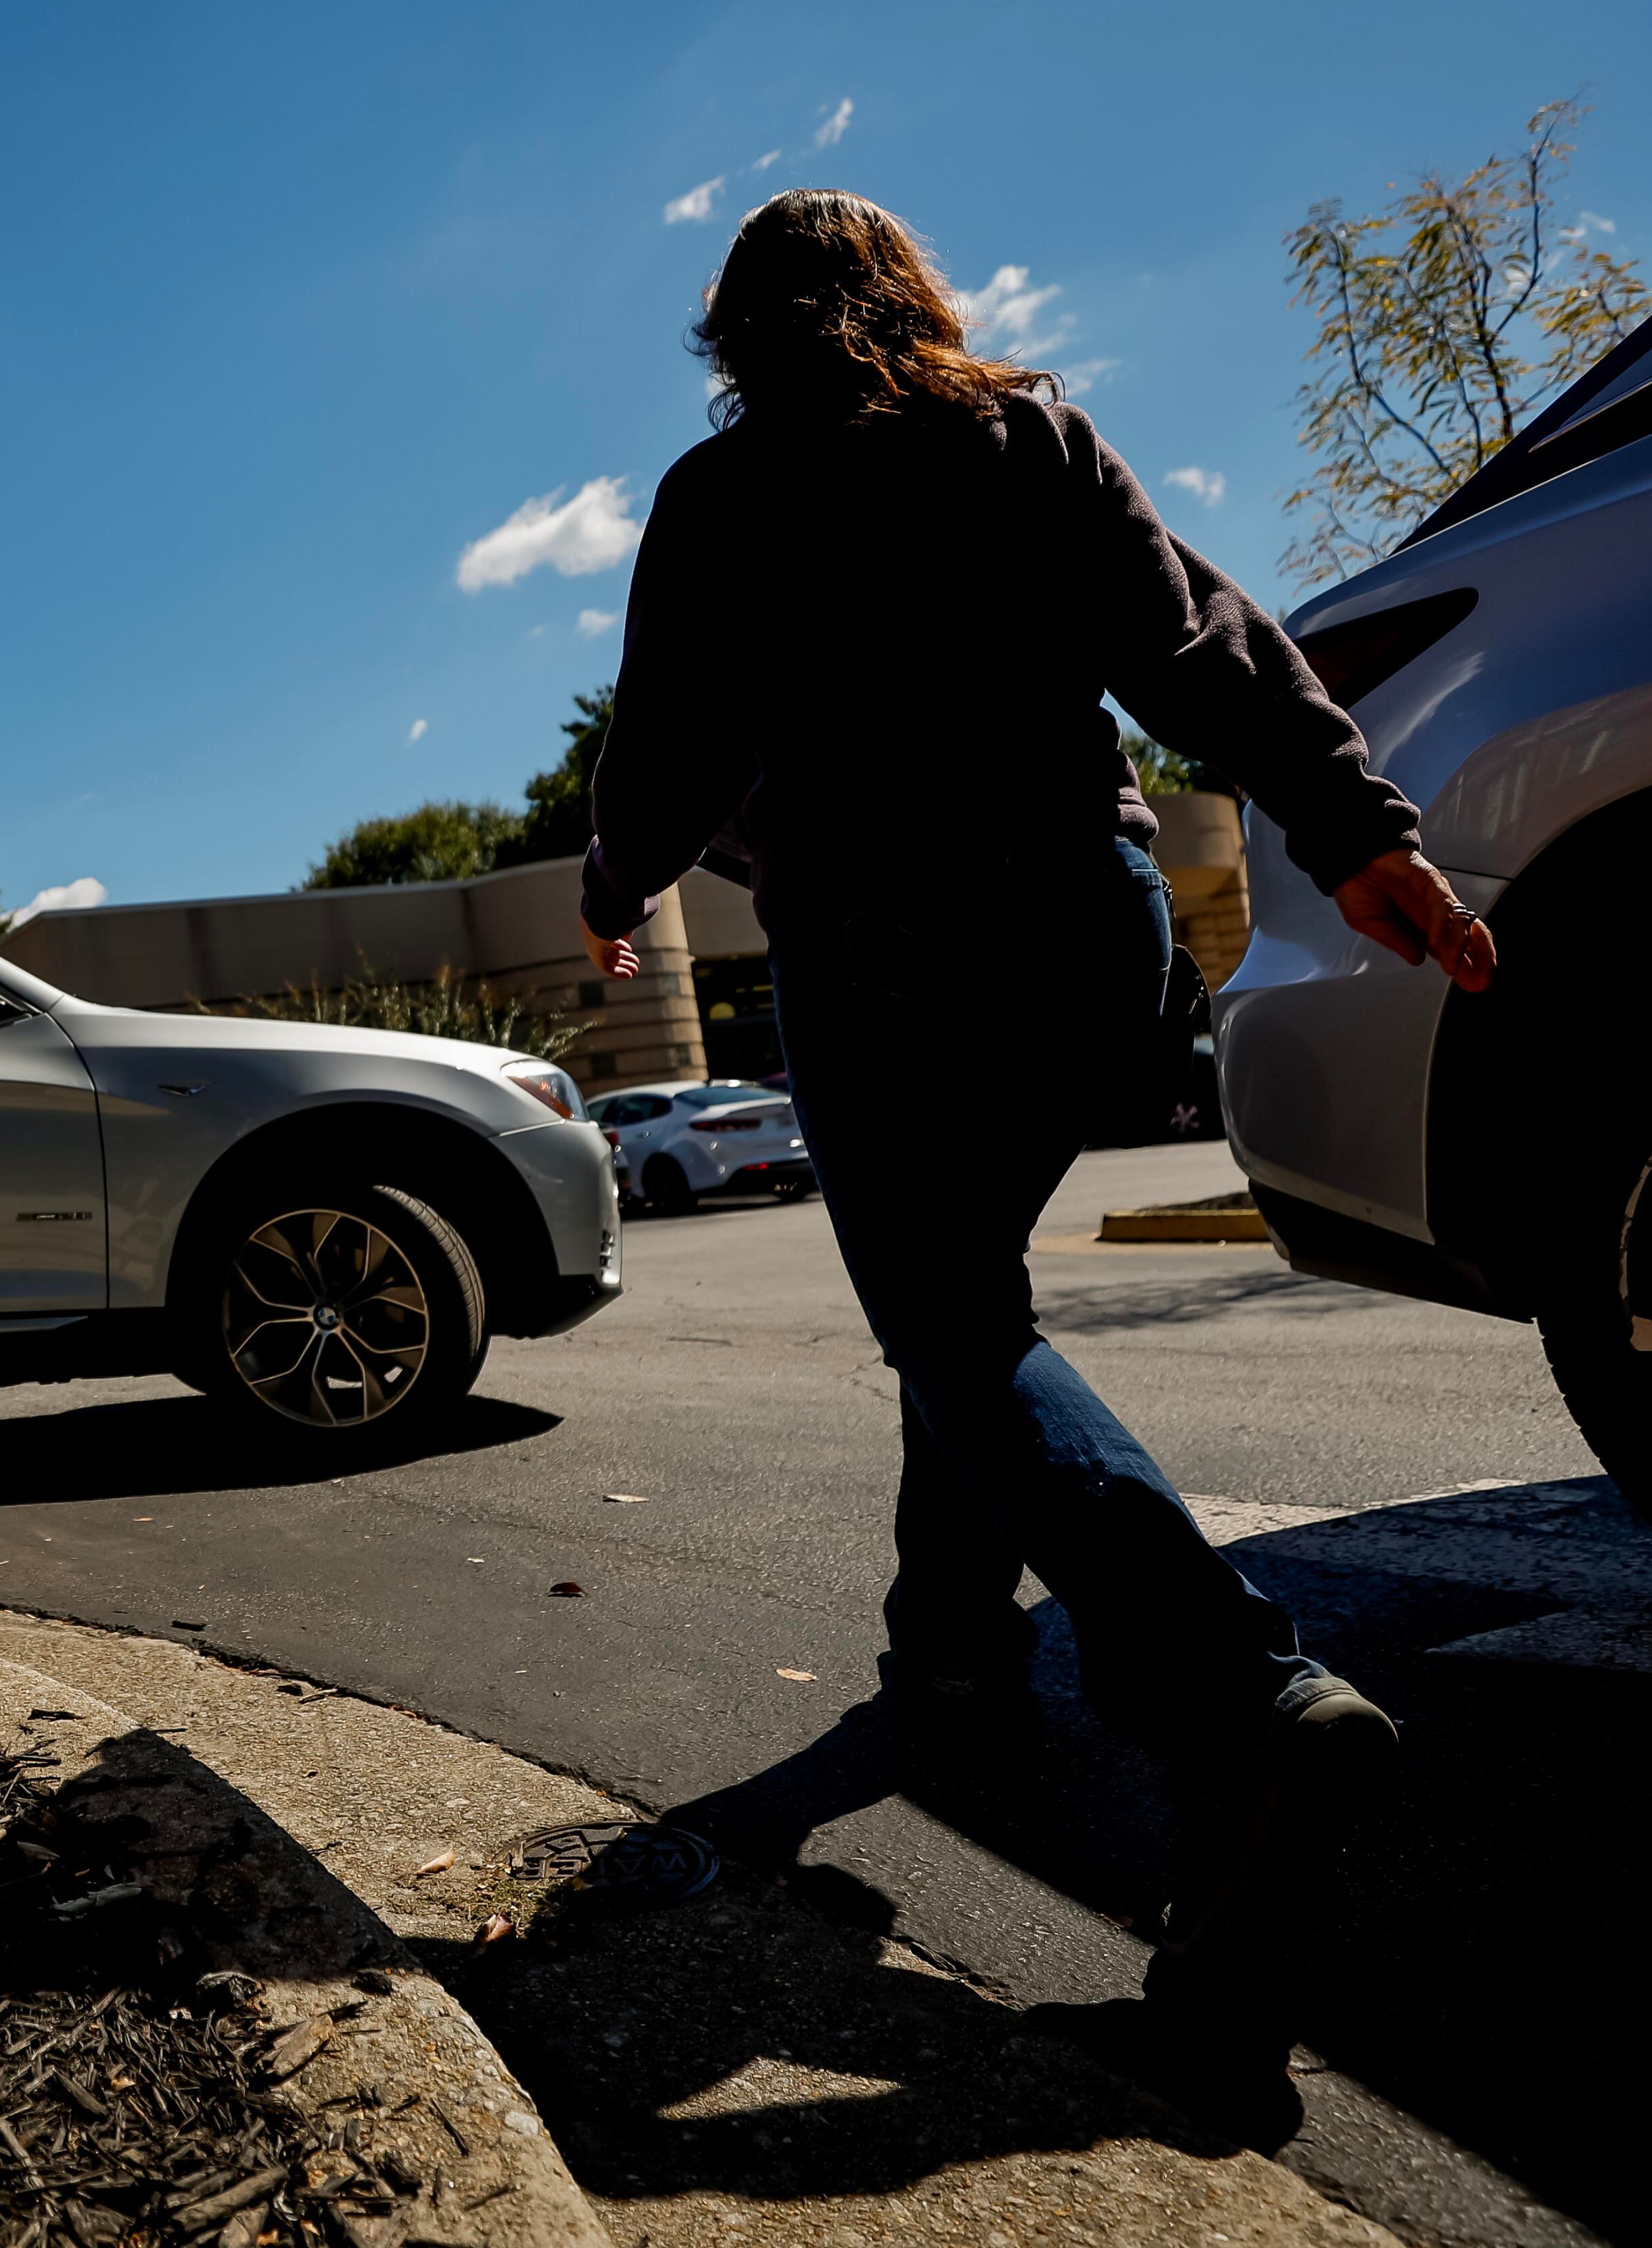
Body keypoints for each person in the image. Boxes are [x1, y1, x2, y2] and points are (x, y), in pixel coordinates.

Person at [574, 188, 1496, 2145]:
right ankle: (952, 1649)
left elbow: (662, 740)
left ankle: (1239, 1706)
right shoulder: (1025, 433)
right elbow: (1199, 643)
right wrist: (1357, 831)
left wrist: (609, 884)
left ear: (735, 336)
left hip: (888, 946)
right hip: (1094, 932)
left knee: (943, 1308)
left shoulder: (723, 497)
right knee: (963, 1294)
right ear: (909, 300)